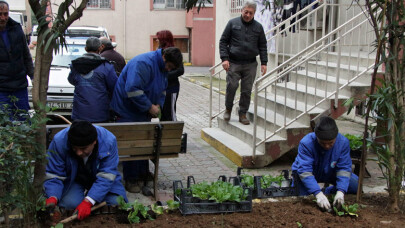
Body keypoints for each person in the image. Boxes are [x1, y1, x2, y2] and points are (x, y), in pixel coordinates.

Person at [110, 47, 183, 193]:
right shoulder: (143, 63)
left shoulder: (162, 68)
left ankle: (142, 173)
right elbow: (132, 89)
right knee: (132, 144)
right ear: (164, 58)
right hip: (127, 109)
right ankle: (132, 179)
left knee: (144, 142)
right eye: (169, 66)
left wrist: (158, 106)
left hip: (142, 110)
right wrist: (149, 107)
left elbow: (162, 90)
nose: (169, 70)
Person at [44, 120, 127, 221]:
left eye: (83, 149)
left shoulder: (108, 141)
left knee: (116, 203)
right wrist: (53, 196)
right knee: (69, 204)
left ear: (94, 141)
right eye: (75, 149)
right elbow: (54, 174)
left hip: (103, 180)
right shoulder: (59, 142)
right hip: (73, 179)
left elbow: (107, 175)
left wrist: (89, 201)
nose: (79, 153)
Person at [291, 116, 358, 212]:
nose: (327, 146)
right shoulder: (306, 143)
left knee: (355, 185)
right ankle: (320, 194)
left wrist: (341, 192)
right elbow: (304, 171)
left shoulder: (343, 143)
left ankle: (327, 192)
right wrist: (317, 193)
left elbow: (344, 169)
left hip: (331, 172)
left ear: (336, 136)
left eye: (331, 143)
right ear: (316, 136)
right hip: (308, 174)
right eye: (322, 143)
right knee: (302, 199)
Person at [219, 0, 268, 125]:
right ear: (242, 10)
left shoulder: (258, 27)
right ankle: (228, 109)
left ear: (254, 13)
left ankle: (243, 113)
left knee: (246, 90)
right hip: (234, 62)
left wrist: (264, 62)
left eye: (251, 13)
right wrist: (224, 59)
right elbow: (223, 41)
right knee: (232, 86)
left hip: (250, 64)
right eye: (246, 12)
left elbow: (263, 45)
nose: (247, 15)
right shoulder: (232, 23)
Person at [68, 37, 117, 123]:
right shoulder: (106, 66)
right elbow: (114, 86)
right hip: (100, 113)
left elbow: (71, 80)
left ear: (85, 49)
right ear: (100, 48)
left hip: (80, 113)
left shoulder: (76, 65)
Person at [0, 0, 34, 117]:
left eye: (5, 14)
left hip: (20, 86)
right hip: (2, 89)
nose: (3, 18)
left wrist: (33, 76)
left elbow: (26, 55)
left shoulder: (16, 28)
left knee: (23, 121)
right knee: (5, 125)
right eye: (0, 14)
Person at [156, 30, 184, 121]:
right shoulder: (159, 52)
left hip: (171, 88)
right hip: (162, 88)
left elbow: (180, 70)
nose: (157, 41)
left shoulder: (174, 53)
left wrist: (165, 75)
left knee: (170, 114)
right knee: (162, 115)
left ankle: (174, 133)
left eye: (158, 39)